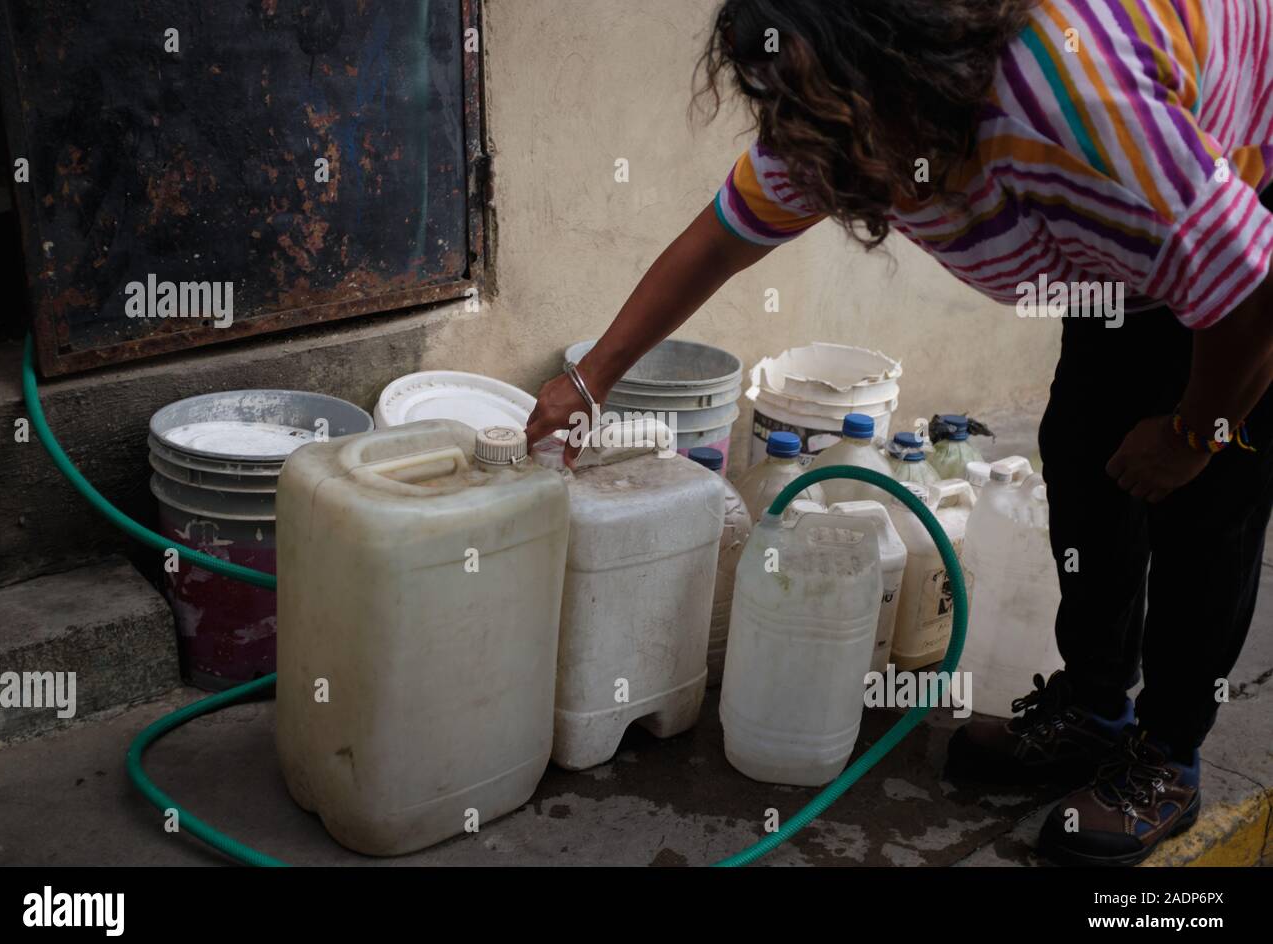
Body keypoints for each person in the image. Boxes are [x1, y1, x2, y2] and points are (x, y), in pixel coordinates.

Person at [524, 0, 1273, 866]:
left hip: (1245, 196)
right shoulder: (837, 125)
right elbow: (719, 241)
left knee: (1209, 498)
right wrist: (591, 380)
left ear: (906, 67)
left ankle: (1168, 757)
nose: (811, 156)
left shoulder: (1072, 104)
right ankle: (1094, 711)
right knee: (1083, 447)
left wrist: (1193, 431)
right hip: (1132, 260)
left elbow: (1250, 290)